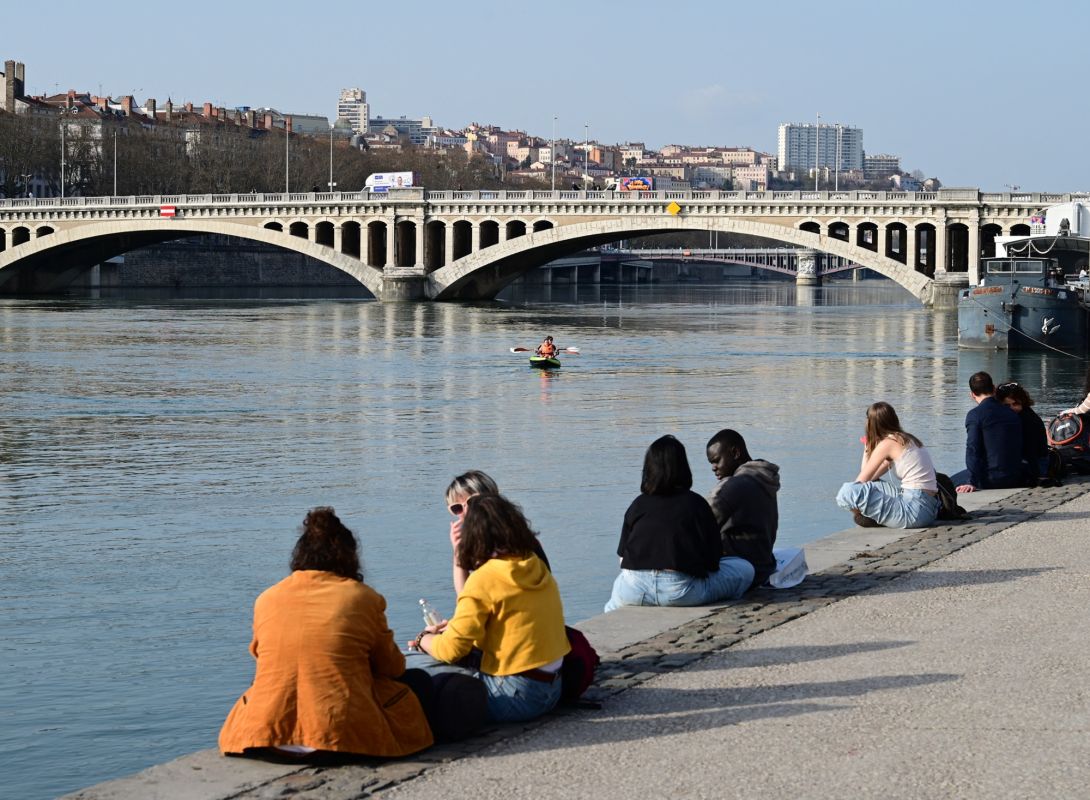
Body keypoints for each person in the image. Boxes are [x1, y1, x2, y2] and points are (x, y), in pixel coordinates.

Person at [219, 508, 433, 759]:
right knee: (420, 682)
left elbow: (261, 658)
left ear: (300, 557)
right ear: (349, 558)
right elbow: (392, 667)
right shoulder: (363, 598)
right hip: (339, 737)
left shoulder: (267, 599)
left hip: (264, 737)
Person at [416, 494, 569, 723]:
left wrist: (423, 639)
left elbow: (451, 650)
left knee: (418, 667)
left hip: (514, 695)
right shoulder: (533, 564)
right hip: (553, 688)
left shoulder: (484, 579)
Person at [605, 435, 754, 612]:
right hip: (680, 591)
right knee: (745, 569)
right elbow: (713, 562)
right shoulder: (696, 504)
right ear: (683, 467)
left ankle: (605, 622)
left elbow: (622, 558)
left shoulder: (638, 505)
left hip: (634, 589)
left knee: (616, 596)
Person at [835, 402, 941, 529]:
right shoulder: (906, 439)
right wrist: (868, 447)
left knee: (846, 493)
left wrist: (868, 445)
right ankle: (872, 516)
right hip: (928, 507)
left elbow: (860, 482)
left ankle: (867, 516)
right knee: (874, 484)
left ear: (871, 424)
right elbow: (870, 479)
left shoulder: (888, 444)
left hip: (913, 512)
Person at [445, 470, 549, 595]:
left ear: (492, 500)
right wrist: (458, 552)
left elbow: (467, 599)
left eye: (471, 502)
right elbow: (466, 601)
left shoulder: (508, 548)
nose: (466, 512)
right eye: (457, 508)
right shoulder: (481, 547)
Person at [705, 429, 781, 589]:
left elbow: (700, 523)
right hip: (764, 565)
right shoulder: (763, 478)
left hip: (740, 569)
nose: (713, 467)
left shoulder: (734, 487)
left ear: (735, 452)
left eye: (716, 461)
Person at [950, 371, 1032, 493]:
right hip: (1016, 476)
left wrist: (971, 481)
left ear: (972, 395)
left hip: (991, 479)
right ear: (994, 389)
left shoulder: (975, 415)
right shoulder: (1011, 413)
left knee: (946, 482)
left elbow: (973, 449)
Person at [996, 381, 1049, 480]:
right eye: (1007, 406)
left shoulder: (1028, 420)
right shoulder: (1018, 416)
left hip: (1035, 464)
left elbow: (1031, 451)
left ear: (1023, 402)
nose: (1011, 408)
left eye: (1015, 404)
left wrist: (1037, 476)